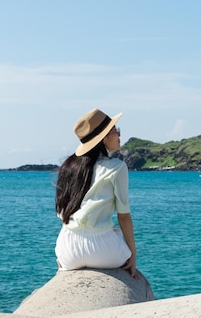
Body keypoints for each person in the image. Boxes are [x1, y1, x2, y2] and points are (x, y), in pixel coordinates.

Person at [55, 108, 138, 279]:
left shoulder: (69, 167)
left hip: (68, 249)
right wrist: (132, 254)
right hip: (103, 252)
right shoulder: (117, 167)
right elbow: (123, 216)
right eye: (116, 131)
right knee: (116, 236)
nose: (119, 135)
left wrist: (66, 254)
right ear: (105, 137)